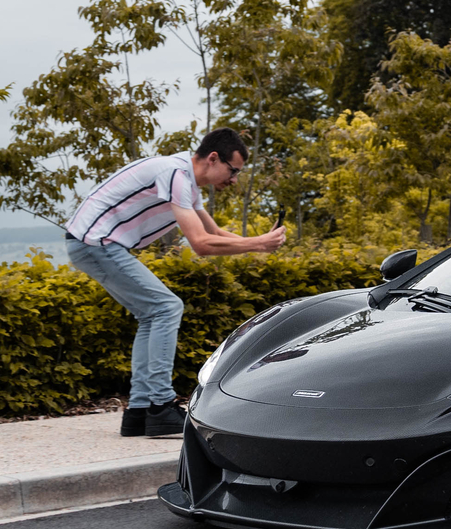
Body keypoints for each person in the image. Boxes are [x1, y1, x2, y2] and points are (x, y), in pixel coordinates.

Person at [65, 127, 288, 437]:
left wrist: (261, 241)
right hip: (97, 243)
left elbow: (216, 234)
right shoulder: (175, 174)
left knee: (153, 314)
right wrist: (258, 245)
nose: (234, 179)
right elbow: (200, 244)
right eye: (233, 170)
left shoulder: (185, 181)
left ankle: (140, 413)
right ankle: (160, 406)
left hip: (92, 244)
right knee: (167, 307)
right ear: (213, 158)